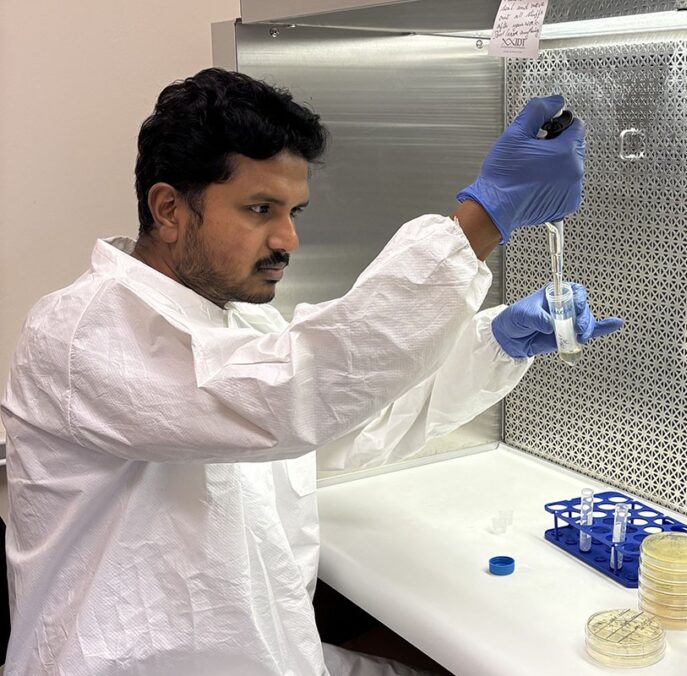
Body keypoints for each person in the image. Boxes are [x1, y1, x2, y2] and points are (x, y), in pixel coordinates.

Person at [0, 68, 621, 675]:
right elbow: (289, 396)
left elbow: (344, 421)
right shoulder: (84, 337)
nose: (288, 239)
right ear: (168, 211)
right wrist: (481, 220)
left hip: (266, 649)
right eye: (259, 208)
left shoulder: (236, 328)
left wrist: (497, 345)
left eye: (293, 210)